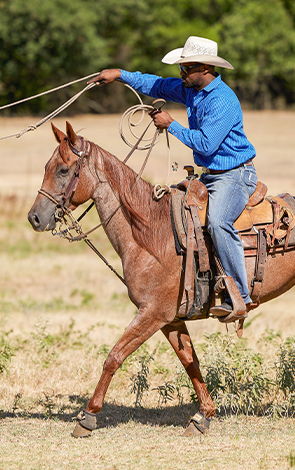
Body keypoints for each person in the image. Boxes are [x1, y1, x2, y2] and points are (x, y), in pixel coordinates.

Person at [88, 36, 258, 322]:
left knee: (218, 222)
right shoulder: (193, 90)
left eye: (186, 68)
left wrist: (171, 124)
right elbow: (155, 84)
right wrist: (119, 75)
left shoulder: (223, 100)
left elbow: (205, 145)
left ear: (204, 68)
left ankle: (239, 294)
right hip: (211, 175)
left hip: (236, 175)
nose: (181, 74)